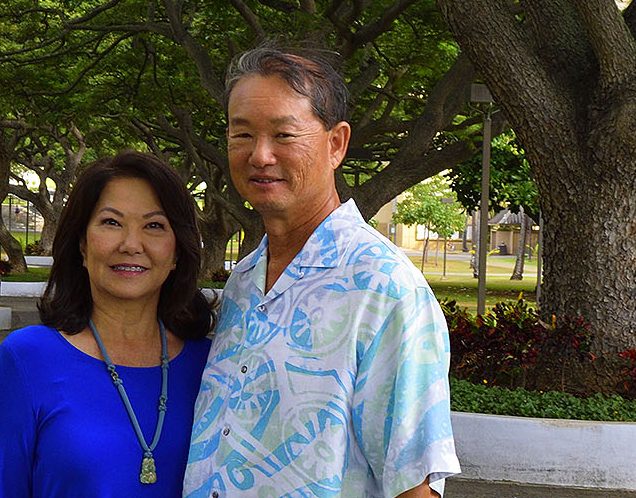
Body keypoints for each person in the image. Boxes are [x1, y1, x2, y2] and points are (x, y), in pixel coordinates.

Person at [184, 48, 459, 498]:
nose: (260, 155)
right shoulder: (244, 281)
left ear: (336, 144)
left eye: (284, 135)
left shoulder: (384, 289)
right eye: (242, 134)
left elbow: (413, 486)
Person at [0, 151, 214, 497]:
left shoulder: (212, 363)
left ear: (178, 251)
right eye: (111, 222)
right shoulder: (28, 359)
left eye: (154, 226)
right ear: (82, 244)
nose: (131, 245)